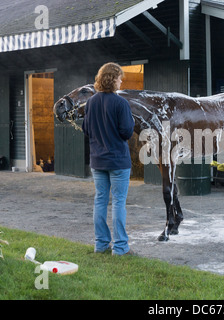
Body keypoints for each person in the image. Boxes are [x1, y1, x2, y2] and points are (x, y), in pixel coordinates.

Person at [82, 62, 136, 255]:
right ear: (113, 79)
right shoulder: (121, 103)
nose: (121, 81)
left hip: (98, 160)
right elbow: (126, 132)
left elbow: (86, 130)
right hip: (118, 161)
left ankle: (101, 244)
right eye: (120, 77)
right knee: (119, 202)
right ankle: (120, 247)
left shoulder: (91, 102)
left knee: (100, 201)